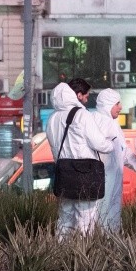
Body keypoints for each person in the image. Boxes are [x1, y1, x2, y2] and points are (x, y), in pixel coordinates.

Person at [46, 78, 113, 236]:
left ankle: (60, 253)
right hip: (84, 173)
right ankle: (83, 256)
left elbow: (54, 147)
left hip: (64, 174)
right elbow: (99, 143)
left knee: (64, 219)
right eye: (86, 95)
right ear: (74, 95)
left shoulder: (52, 118)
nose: (87, 99)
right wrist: (110, 144)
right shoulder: (82, 115)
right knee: (86, 219)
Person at [89, 88, 136, 231]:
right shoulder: (102, 123)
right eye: (117, 103)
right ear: (107, 104)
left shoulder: (108, 123)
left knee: (108, 217)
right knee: (104, 218)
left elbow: (123, 153)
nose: (121, 107)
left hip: (109, 179)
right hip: (103, 180)